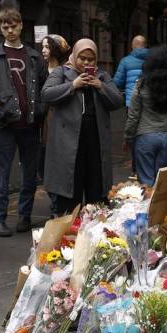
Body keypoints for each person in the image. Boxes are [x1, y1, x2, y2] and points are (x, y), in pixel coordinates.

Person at [42, 39, 124, 214]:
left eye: (91, 59)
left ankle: (95, 228)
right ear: (74, 56)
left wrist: (100, 86)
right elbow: (46, 94)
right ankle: (70, 228)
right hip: (69, 144)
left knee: (97, 186)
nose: (86, 63)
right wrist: (73, 85)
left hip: (95, 142)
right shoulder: (61, 72)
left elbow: (117, 101)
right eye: (82, 58)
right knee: (71, 187)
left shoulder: (102, 76)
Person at [0, 8, 47, 237]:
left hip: (30, 124)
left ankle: (24, 217)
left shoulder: (33, 56)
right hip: (5, 125)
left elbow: (43, 86)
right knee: (0, 173)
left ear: (21, 25)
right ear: (1, 28)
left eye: (13, 25)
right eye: (5, 26)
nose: (10, 30)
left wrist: (40, 109)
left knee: (30, 174)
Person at [123, 45, 167, 186]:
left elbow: (133, 116)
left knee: (146, 182)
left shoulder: (141, 85)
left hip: (145, 136)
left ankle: (147, 208)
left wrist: (127, 138)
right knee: (162, 182)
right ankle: (162, 208)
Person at [38, 34, 70, 217]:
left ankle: (58, 205)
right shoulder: (40, 70)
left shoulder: (66, 71)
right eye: (42, 46)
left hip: (60, 121)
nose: (43, 50)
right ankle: (56, 201)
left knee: (59, 163)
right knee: (43, 166)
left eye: (47, 47)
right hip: (43, 123)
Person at [113, 35, 148, 177]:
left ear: (132, 46)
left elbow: (117, 82)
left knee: (134, 133)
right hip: (150, 103)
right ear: (145, 45)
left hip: (131, 104)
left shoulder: (126, 61)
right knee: (148, 131)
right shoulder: (153, 60)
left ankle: (135, 168)